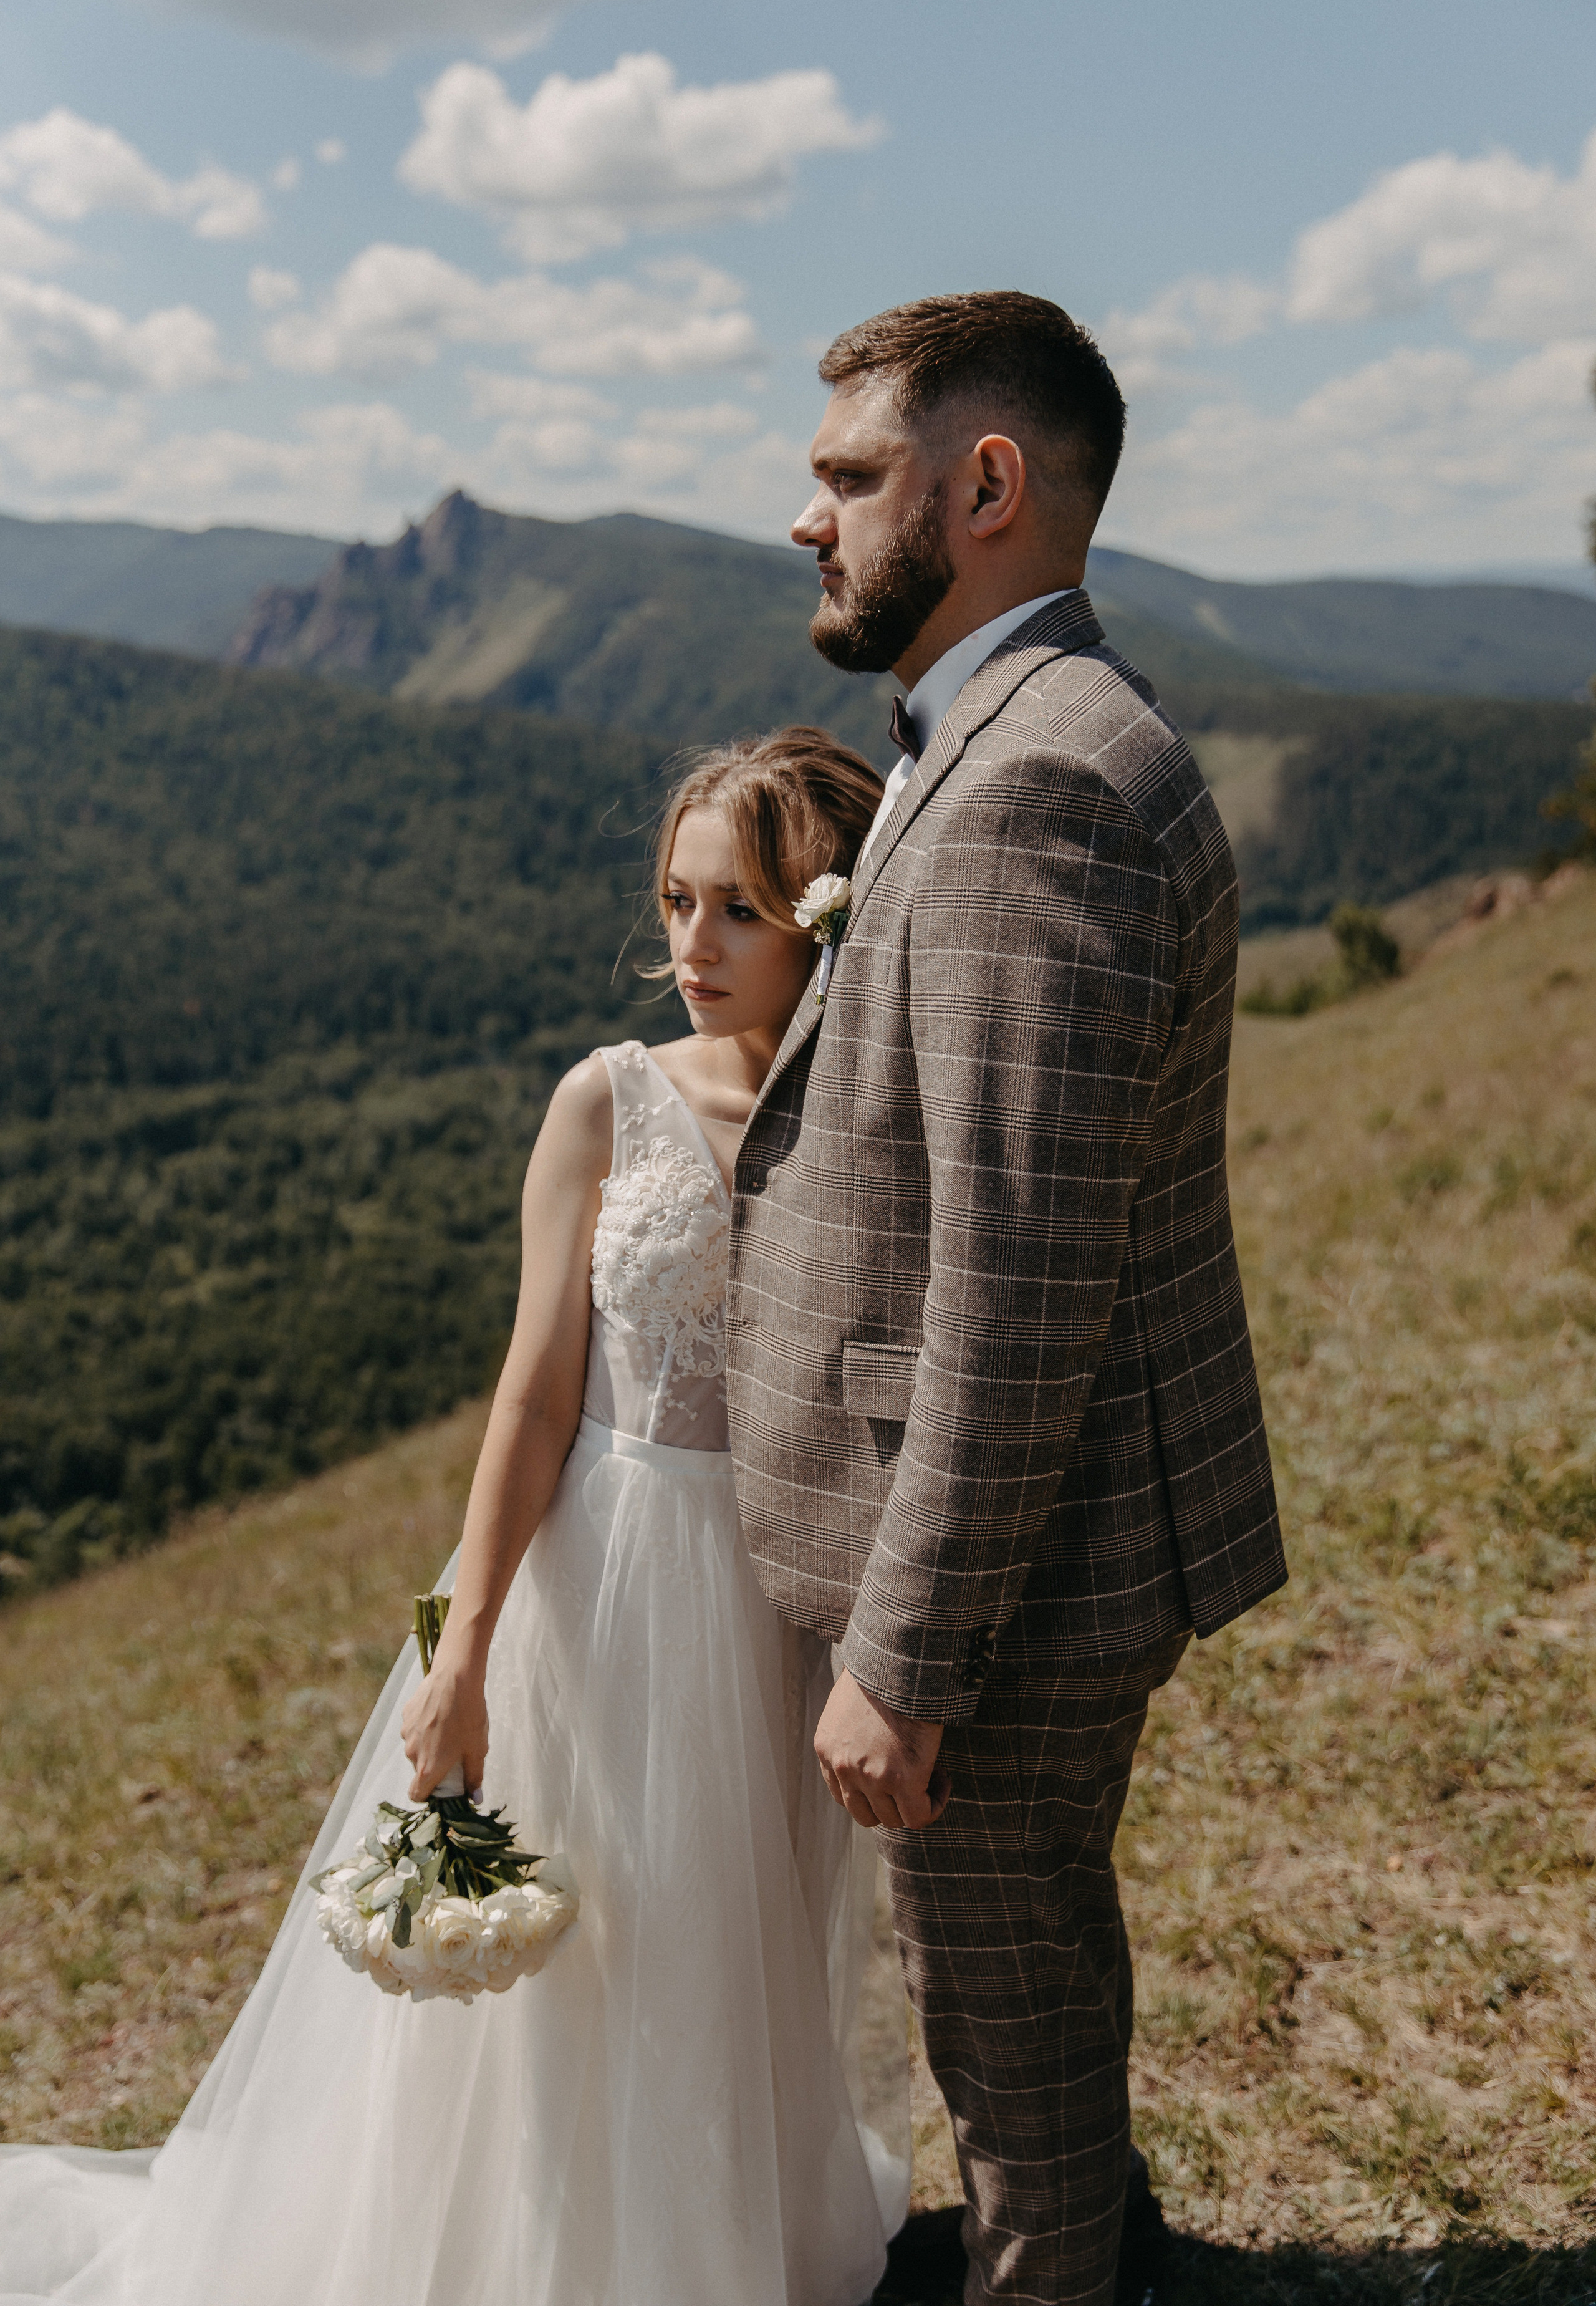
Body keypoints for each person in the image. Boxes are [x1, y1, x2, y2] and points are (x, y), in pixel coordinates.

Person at [0, 727, 906, 2306]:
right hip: (598, 1587)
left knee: (729, 1945)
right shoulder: (603, 1103)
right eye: (676, 901)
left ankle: (703, 2244)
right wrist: (460, 1649)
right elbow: (531, 1400)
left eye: (738, 912)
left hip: (777, 1595)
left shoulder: (866, 1117)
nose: (691, 945)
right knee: (585, 1945)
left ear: (822, 919)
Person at [726, 293, 1287, 2306]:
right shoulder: (1019, 733)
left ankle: (1060, 2272)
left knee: (1005, 1993)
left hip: (1006, 1566)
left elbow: (1020, 1282)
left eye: (850, 478)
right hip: (1027, 1536)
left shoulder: (1040, 781)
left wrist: (910, 1651)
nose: (809, 521)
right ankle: (1090, 2232)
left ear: (986, 490)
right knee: (1021, 1965)